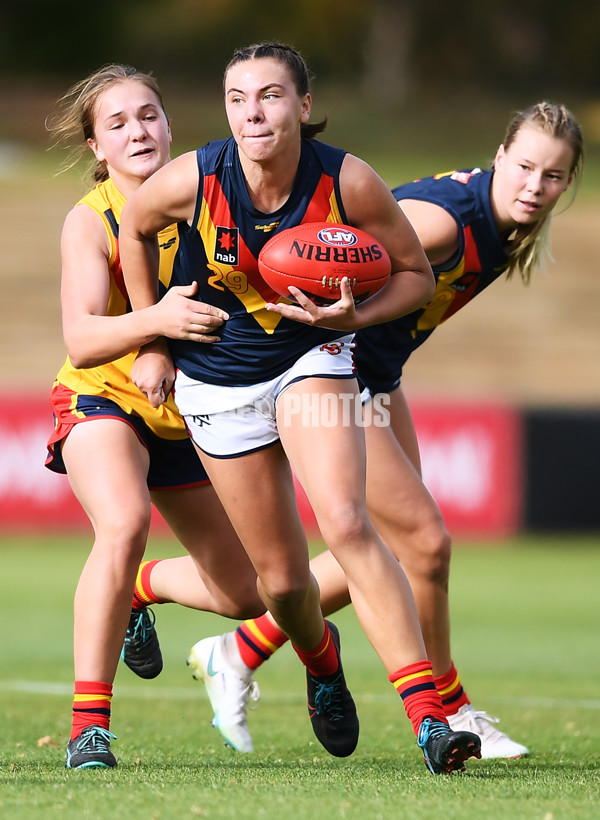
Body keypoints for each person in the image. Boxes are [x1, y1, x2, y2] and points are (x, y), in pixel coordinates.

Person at [125, 100, 583, 760]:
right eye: (525, 167)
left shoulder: (504, 226)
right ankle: (450, 708)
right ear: (499, 158)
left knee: (400, 554)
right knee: (423, 543)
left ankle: (239, 650)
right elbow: (354, 242)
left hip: (380, 374)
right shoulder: (448, 220)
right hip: (339, 369)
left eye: (554, 176)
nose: (535, 186)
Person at [45, 64, 269, 770]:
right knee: (124, 523)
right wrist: (157, 323)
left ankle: (138, 593)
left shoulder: (213, 198)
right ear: (96, 149)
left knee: (243, 595)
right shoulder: (91, 220)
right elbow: (80, 336)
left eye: (148, 115)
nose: (137, 130)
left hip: (186, 413)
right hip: (102, 395)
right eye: (117, 124)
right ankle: (90, 728)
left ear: (170, 126)